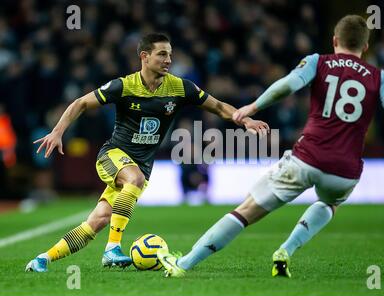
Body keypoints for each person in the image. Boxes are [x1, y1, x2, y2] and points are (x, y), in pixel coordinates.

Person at [157, 15, 384, 278]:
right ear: (366, 46)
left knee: (245, 212)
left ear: (334, 40)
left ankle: (183, 264)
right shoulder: (380, 77)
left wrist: (253, 106)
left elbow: (288, 85)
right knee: (330, 202)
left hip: (307, 158)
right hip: (345, 171)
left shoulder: (319, 61)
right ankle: (286, 250)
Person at [25, 33, 269, 272]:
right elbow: (80, 103)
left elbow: (217, 106)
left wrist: (244, 120)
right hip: (112, 156)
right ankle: (112, 249)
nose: (168, 60)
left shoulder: (180, 87)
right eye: (162, 54)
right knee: (134, 179)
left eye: (170, 55)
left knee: (98, 221)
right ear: (144, 56)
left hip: (142, 166)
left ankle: (43, 259)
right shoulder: (124, 86)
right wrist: (57, 132)